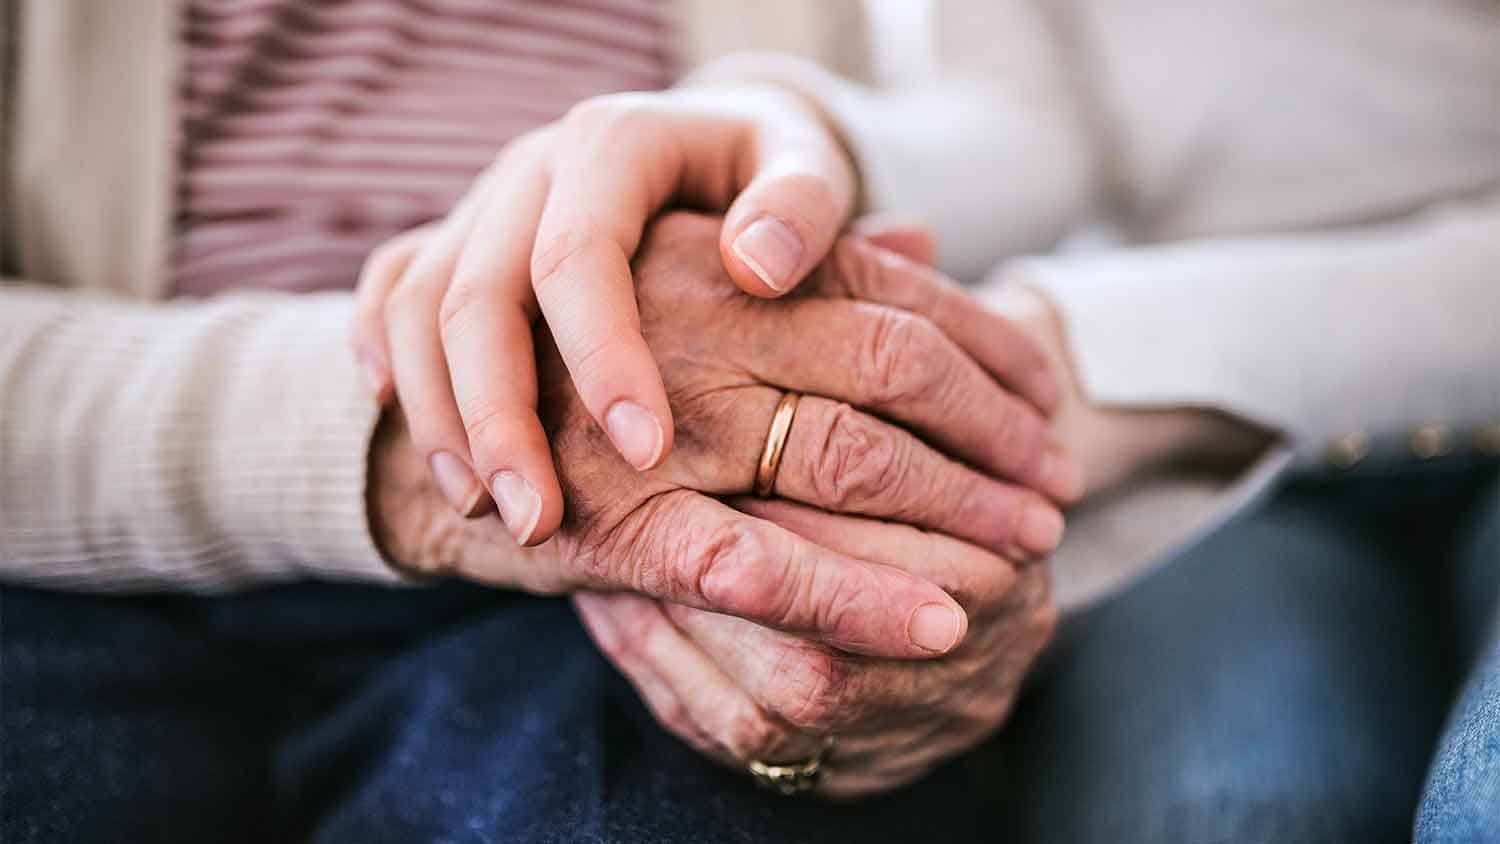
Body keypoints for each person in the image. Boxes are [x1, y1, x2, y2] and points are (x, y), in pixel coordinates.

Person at [347, 0, 1500, 840]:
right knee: (1234, 805)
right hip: (1210, 473)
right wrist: (788, 143)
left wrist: (1072, 361)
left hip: (1164, 396)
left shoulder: (1084, 377)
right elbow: (1022, 123)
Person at [2, 2, 1065, 842]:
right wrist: (413, 439)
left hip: (599, 601)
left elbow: (1011, 139)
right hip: (75, 562)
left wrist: (790, 129)